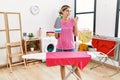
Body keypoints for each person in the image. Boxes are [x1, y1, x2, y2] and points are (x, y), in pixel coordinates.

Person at [54, 5, 82, 80]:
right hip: (60, 48)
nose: (69, 13)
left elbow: (76, 34)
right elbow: (56, 37)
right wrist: (58, 29)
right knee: (62, 66)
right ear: (62, 11)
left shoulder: (72, 21)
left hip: (70, 47)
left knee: (74, 66)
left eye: (70, 11)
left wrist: (76, 23)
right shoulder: (58, 21)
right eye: (67, 11)